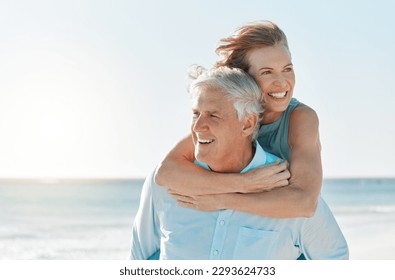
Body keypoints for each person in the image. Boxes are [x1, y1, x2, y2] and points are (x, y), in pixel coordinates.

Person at [130, 66, 348, 260]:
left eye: (213, 116)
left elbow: (335, 258)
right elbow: (140, 259)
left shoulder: (289, 191)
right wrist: (242, 184)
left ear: (248, 124)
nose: (198, 127)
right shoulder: (163, 184)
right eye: (195, 114)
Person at [155, 20, 321, 218]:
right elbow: (166, 173)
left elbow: (306, 203)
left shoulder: (301, 118)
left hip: (286, 231)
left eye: (287, 69)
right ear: (243, 78)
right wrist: (244, 183)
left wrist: (222, 200)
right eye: (267, 72)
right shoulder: (228, 116)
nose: (282, 82)